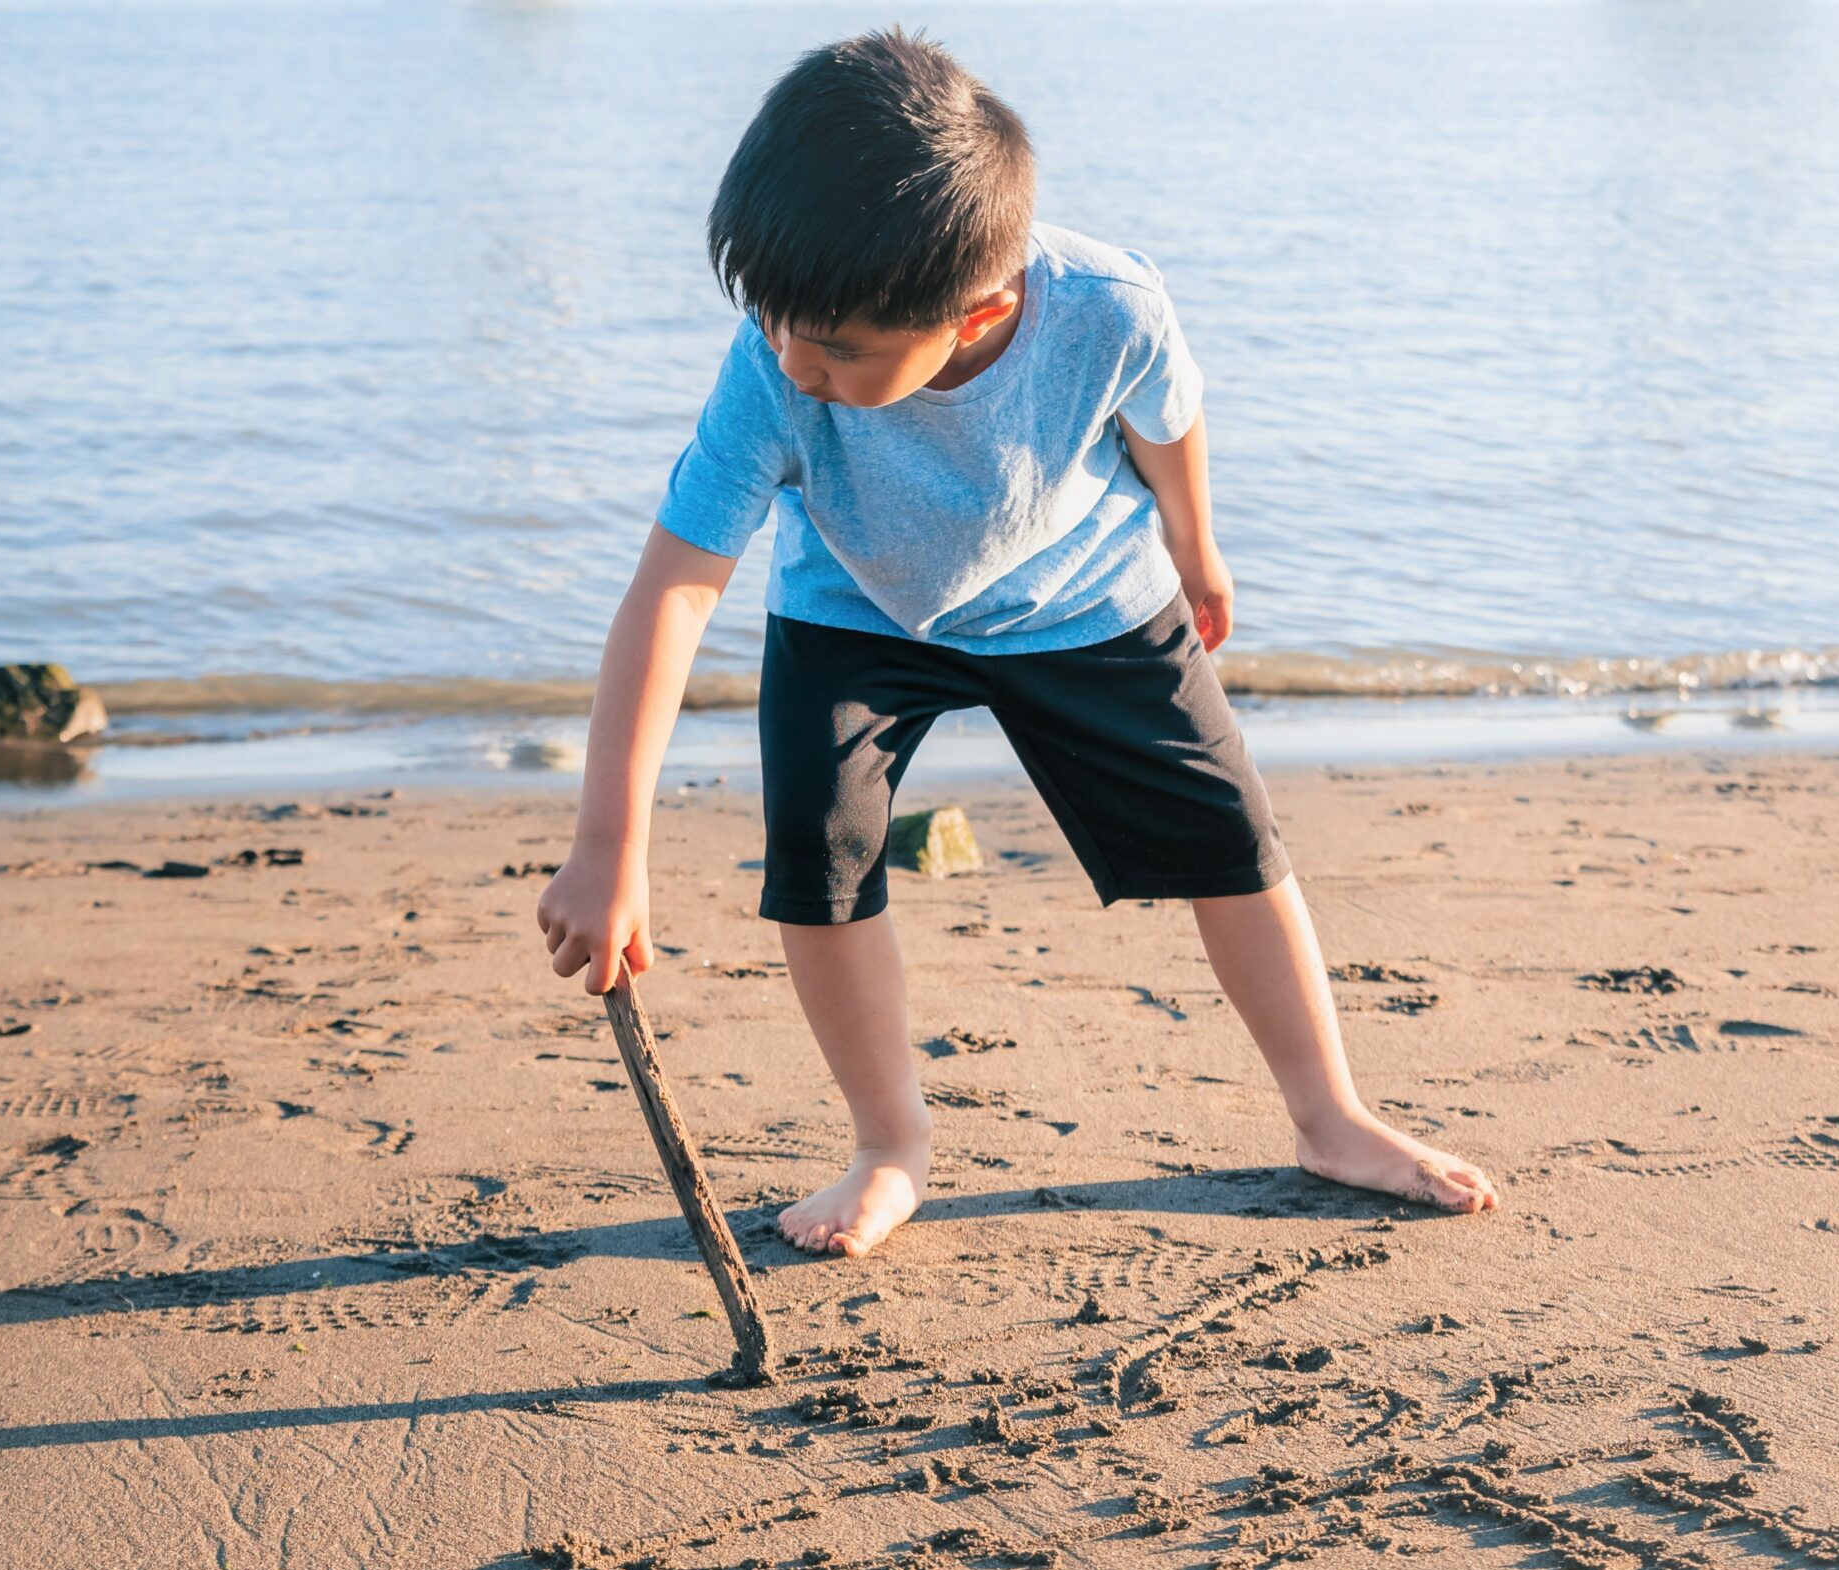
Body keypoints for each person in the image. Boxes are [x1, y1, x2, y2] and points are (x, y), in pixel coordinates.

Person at [536, 28, 1499, 1258]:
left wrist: (1198, 550)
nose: (795, 362)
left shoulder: (1108, 310)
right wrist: (609, 847)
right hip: (857, 607)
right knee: (819, 856)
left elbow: (1169, 422)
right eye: (776, 322)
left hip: (1083, 592)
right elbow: (672, 588)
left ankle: (1330, 1114)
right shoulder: (774, 366)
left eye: (837, 348)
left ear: (978, 311)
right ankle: (889, 1143)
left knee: (1230, 842)